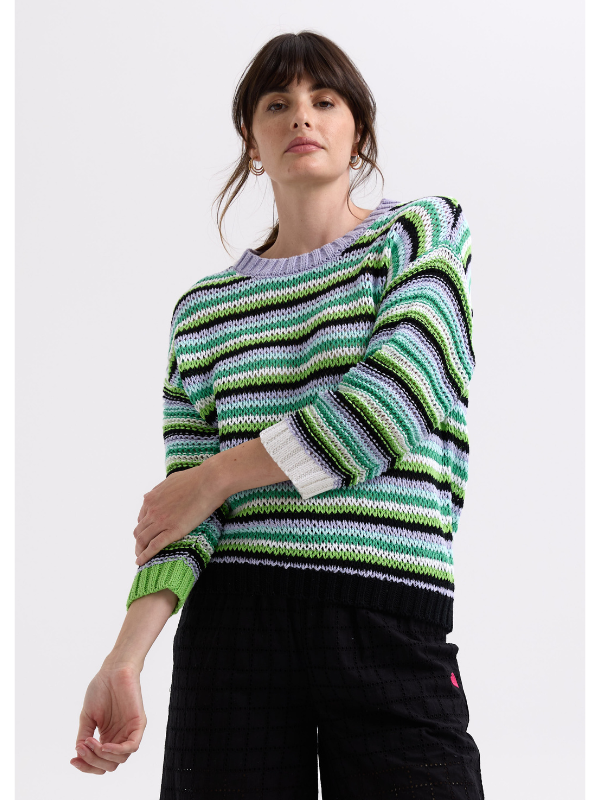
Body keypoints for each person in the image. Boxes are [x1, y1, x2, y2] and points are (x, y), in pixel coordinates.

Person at [71, 30, 485, 799]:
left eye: (324, 100)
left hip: (387, 614)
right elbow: (182, 516)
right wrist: (124, 659)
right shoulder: (203, 311)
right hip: (234, 632)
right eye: (277, 103)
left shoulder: (421, 234)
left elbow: (389, 406)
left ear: (357, 130)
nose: (302, 116)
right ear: (250, 140)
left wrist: (217, 477)